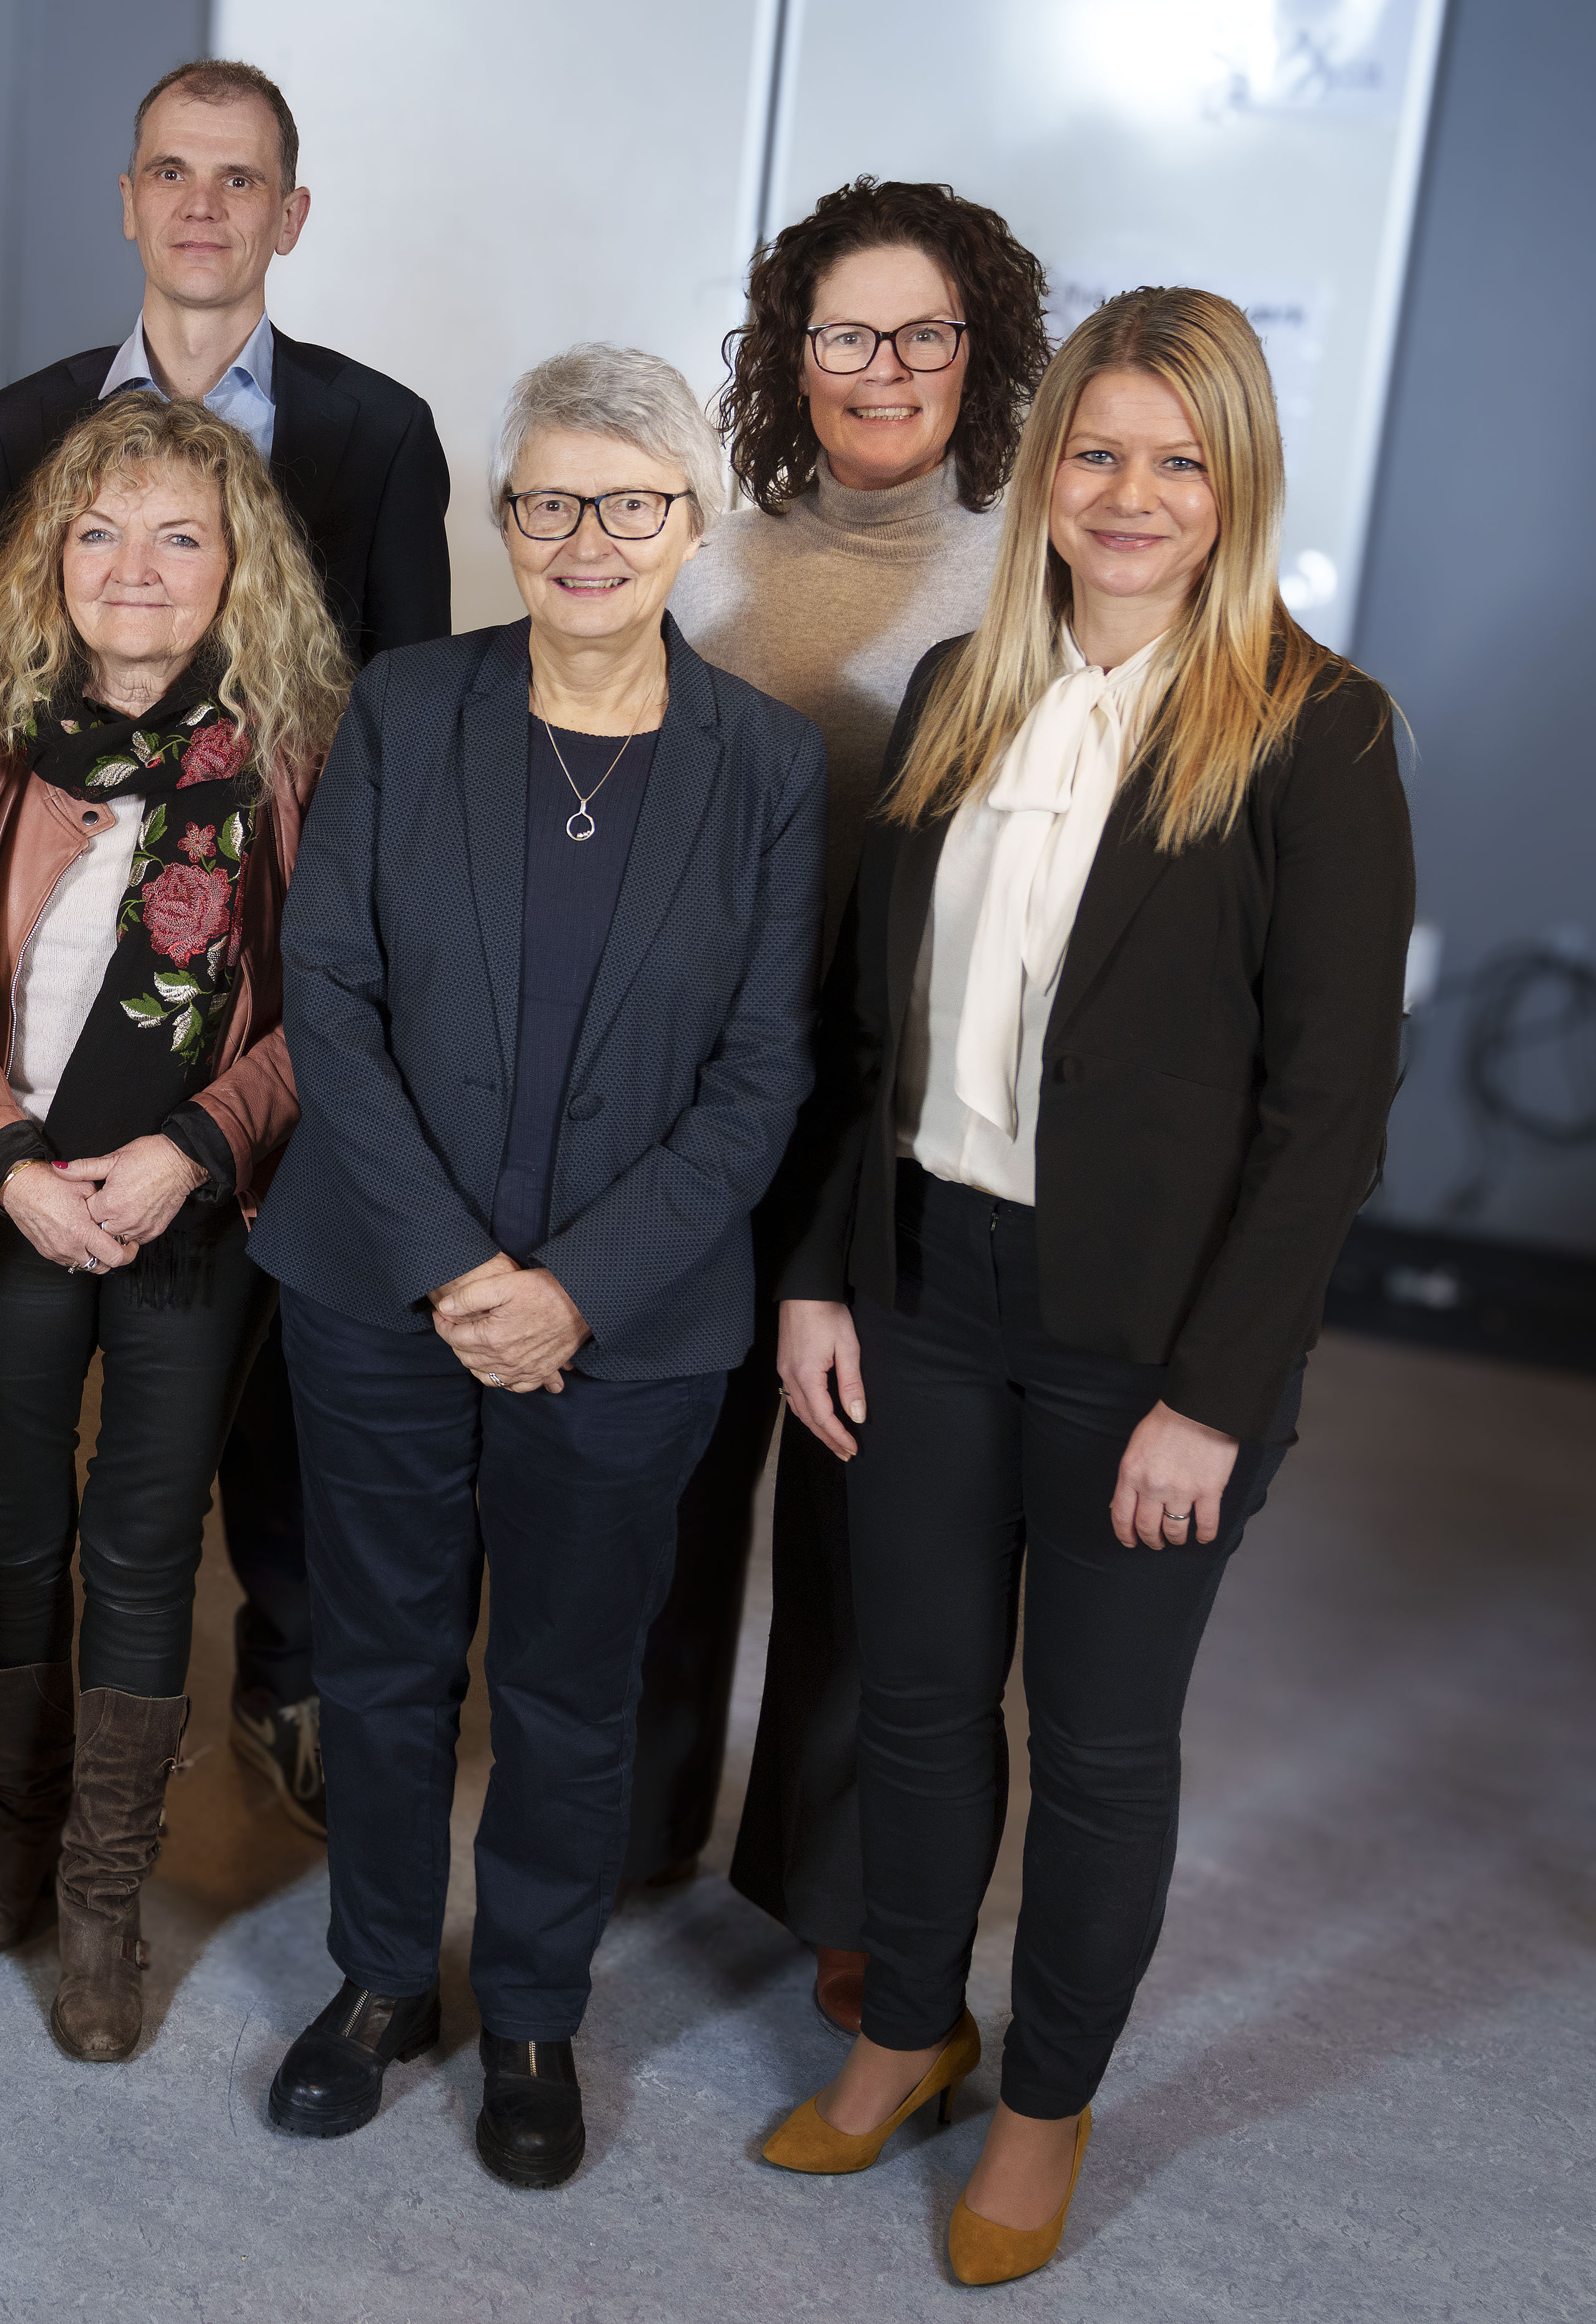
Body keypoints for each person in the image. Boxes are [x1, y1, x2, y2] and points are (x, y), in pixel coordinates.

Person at [757, 287, 1410, 2288]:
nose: (1132, 496)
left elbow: (1329, 1112)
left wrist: (1216, 1398)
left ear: (1238, 485)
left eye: (1179, 461)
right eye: (1099, 453)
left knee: (1103, 1750)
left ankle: (1045, 2107)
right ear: (1046, 473)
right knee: (921, 1699)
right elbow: (870, 1035)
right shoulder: (963, 686)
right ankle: (907, 2033)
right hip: (925, 1283)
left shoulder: (1315, 729)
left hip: (1150, 1337)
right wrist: (822, 1276)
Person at [250, 347, 823, 2188]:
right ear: (505, 522)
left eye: (631, 502)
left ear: (692, 523)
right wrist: (453, 1271)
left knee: (576, 1691)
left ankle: (532, 2014)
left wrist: (572, 1289)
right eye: (552, 501)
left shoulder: (768, 765)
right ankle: (375, 1985)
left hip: (631, 1328)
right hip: (378, 1288)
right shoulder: (407, 707)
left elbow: (763, 1075)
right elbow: (330, 995)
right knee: (386, 1662)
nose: (590, 538)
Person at [0, 53, 453, 1835]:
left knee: (251, 1413)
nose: (203, 205)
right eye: (173, 170)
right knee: (13, 1459)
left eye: (241, 179)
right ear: (129, 200)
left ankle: (282, 1679)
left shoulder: (377, 430)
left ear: (288, 217)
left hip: (266, 969)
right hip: (52, 996)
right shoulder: (24, 424)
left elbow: (404, 724)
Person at [628, 179, 1053, 2035]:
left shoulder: (1038, 579)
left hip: (902, 1103)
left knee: (869, 1503)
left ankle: (841, 1896)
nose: (885, 369)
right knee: (662, 1467)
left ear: (982, 352)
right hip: (697, 1087)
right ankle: (630, 1813)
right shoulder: (703, 567)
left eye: (924, 333)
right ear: (789, 356)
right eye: (845, 334)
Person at [0, 395, 348, 2063]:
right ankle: (23, 1833)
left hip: (193, 1208)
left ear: (239, 563)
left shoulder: (291, 755)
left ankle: (105, 1893)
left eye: (180, 536)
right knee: (9, 1534)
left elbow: (330, 1013)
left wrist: (195, 1145)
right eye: (97, 534)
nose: (135, 570)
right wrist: (6, 1160)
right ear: (51, 558)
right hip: (11, 1197)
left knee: (147, 1546)